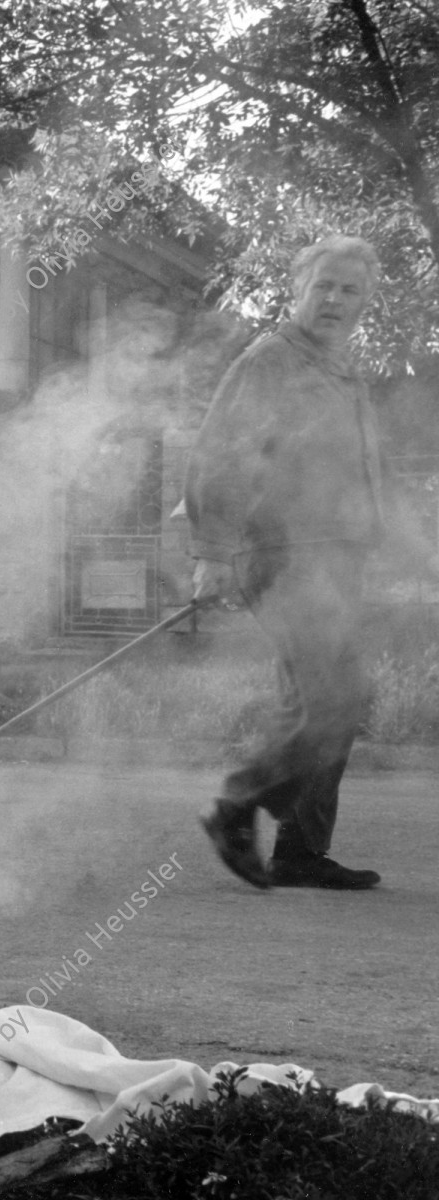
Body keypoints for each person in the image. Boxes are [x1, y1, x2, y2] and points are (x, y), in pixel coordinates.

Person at [188, 235, 434, 890]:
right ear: (299, 288)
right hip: (285, 559)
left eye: (351, 290)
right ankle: (236, 802)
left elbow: (375, 480)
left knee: (329, 704)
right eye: (324, 284)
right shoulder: (272, 360)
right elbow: (222, 453)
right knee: (337, 699)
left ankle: (300, 851)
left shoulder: (343, 374)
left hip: (338, 565)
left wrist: (427, 560)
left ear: (366, 303)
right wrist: (212, 552)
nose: (336, 299)